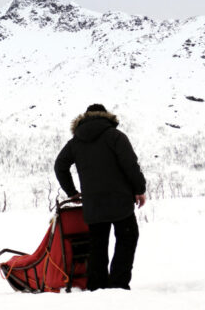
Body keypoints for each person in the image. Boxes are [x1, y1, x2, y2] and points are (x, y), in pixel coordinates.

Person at [54, 104, 146, 291]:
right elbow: (130, 165)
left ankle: (96, 286)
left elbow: (59, 166)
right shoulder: (115, 136)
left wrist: (72, 192)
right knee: (128, 238)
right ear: (106, 117)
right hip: (120, 202)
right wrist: (139, 189)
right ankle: (118, 284)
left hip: (93, 205)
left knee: (97, 245)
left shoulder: (75, 142)